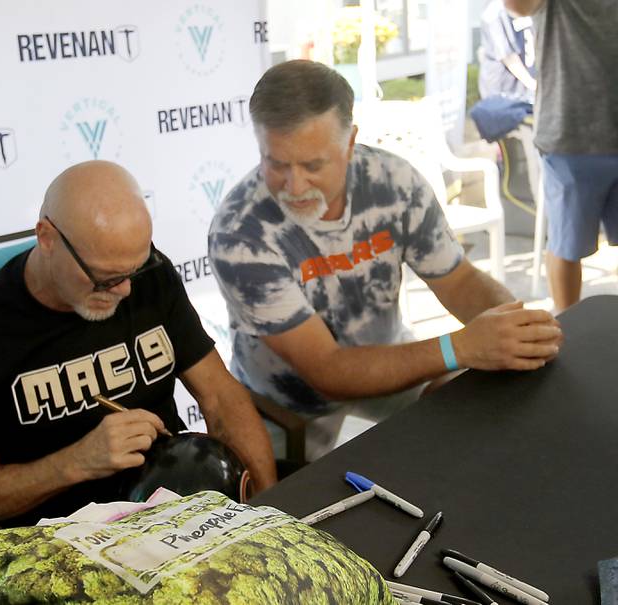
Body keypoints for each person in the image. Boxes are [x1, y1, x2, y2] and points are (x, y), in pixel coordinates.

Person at [208, 60, 563, 460]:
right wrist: (460, 347)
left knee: (487, 422)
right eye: (275, 163)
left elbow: (458, 281)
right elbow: (327, 371)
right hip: (287, 405)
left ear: (350, 142)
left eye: (312, 165)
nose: (295, 185)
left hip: (390, 365)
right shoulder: (240, 231)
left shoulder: (394, 182)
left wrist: (521, 331)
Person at [0, 161, 276, 526]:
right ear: (46, 237)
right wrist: (77, 462)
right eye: (105, 278)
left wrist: (272, 511)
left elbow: (221, 395)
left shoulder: (149, 275)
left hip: (171, 508)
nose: (125, 290)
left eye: (133, 271)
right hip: (66, 541)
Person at [503, 0, 618, 312]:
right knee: (567, 246)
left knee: (567, 245)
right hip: (570, 139)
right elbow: (516, 4)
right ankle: (567, 330)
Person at [479, 0, 536, 103]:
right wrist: (533, 85)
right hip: (503, 89)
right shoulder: (494, 11)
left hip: (525, 88)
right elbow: (508, 57)